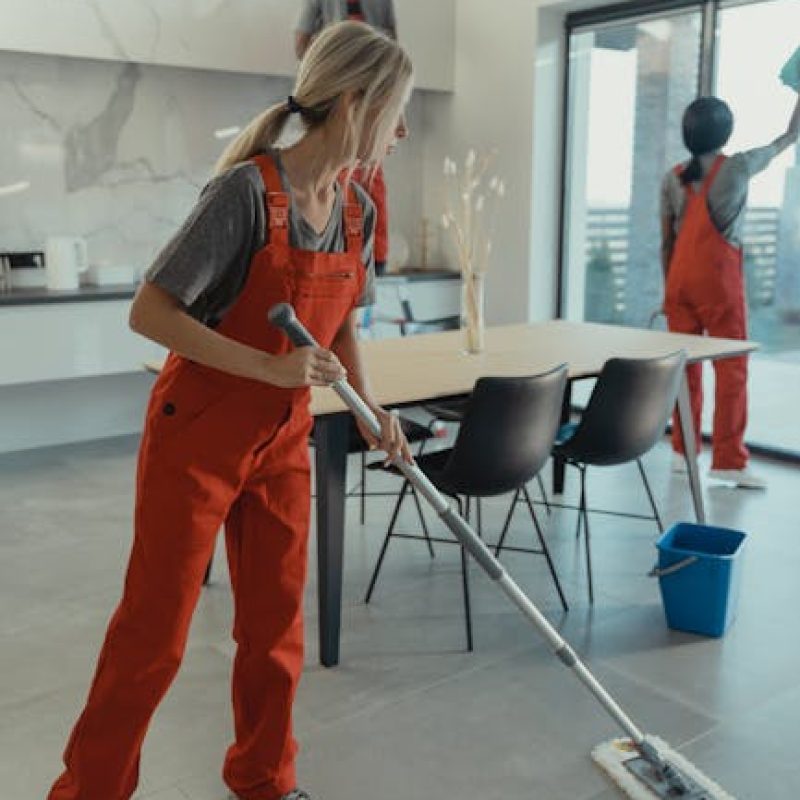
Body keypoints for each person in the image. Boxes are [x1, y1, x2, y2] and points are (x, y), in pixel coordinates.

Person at [47, 21, 413, 800]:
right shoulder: (246, 191)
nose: (403, 130)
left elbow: (343, 319)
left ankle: (264, 777)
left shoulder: (357, 208)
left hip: (284, 439)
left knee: (277, 630)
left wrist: (373, 408)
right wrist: (268, 365)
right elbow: (149, 311)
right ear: (354, 103)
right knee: (155, 636)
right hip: (200, 432)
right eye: (397, 110)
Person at [661, 90, 800, 489]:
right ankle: (728, 462)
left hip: (678, 283)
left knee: (684, 367)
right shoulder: (737, 167)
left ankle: (680, 451)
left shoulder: (673, 177)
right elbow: (787, 138)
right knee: (731, 369)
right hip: (718, 282)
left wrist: (667, 290)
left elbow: (665, 241)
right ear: (726, 131)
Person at [296, 0, 399, 275]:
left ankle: (377, 260)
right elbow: (301, 39)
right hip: (341, 71)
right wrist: (325, 70)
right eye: (393, 114)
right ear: (352, 102)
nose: (401, 131)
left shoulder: (362, 205)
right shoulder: (253, 191)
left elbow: (393, 44)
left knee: (369, 183)